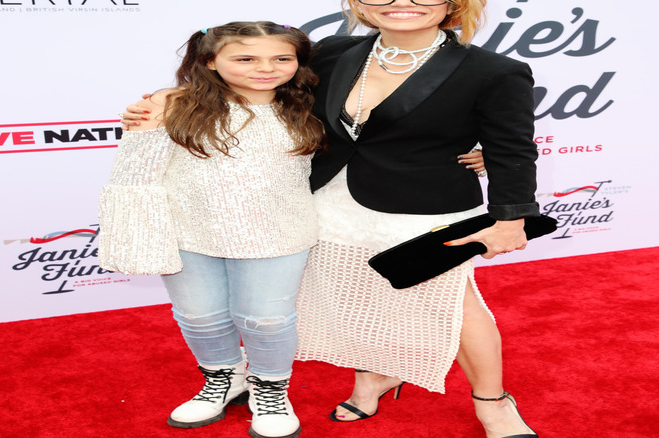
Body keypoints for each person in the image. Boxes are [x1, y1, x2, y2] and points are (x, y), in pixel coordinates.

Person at [122, 1, 538, 436]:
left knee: (452, 305)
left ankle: (494, 403)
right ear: (359, 4)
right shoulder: (334, 51)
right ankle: (375, 375)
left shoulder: (493, 71)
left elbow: (514, 148)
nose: (402, 4)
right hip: (328, 199)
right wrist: (171, 96)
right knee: (355, 296)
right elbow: (255, 81)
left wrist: (511, 217)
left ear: (452, 3)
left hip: (425, 204)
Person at [98, 21, 326, 438]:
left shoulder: (312, 103)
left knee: (268, 320)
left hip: (280, 232)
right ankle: (224, 378)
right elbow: (134, 174)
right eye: (245, 58)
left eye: (281, 58)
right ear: (210, 61)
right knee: (199, 317)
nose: (265, 68)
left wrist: (477, 151)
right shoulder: (172, 104)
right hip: (188, 233)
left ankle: (271, 388)